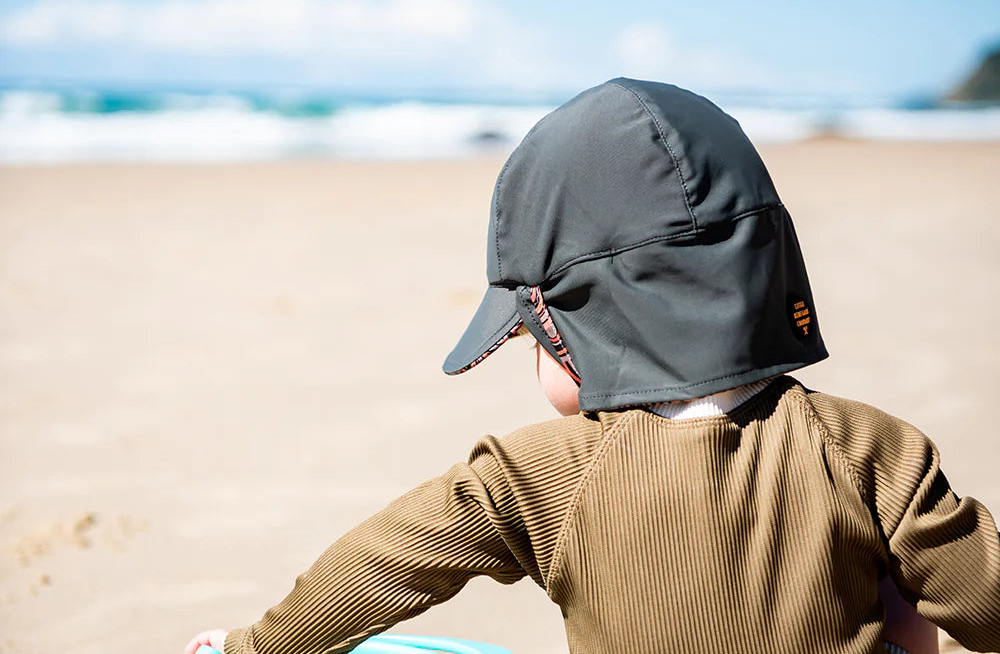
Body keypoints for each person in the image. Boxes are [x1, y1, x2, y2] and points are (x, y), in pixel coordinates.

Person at [185, 78, 1000, 654]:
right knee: (896, 595)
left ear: (578, 326)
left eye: (532, 340)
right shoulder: (871, 450)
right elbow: (988, 603)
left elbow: (380, 565)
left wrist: (252, 648)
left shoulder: (536, 474)